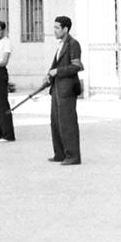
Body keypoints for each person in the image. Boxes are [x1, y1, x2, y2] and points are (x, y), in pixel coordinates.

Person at [48, 16, 84, 165]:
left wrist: (58, 71)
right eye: (54, 27)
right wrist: (49, 75)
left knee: (67, 123)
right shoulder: (61, 44)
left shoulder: (73, 44)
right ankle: (60, 153)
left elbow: (77, 66)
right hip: (57, 88)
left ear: (65, 29)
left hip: (67, 89)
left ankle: (73, 156)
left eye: (57, 28)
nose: (54, 30)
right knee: (56, 122)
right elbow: (56, 64)